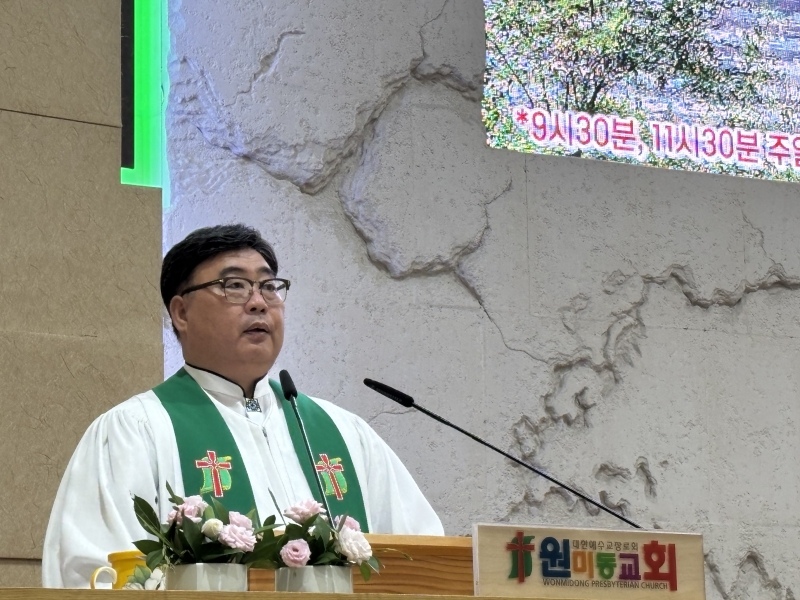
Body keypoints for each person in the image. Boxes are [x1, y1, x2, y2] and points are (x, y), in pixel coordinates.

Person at [42, 224, 443, 588]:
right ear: (181, 312)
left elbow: (428, 563)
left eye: (269, 287)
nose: (259, 302)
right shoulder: (135, 431)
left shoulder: (344, 434)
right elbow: (95, 575)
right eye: (234, 286)